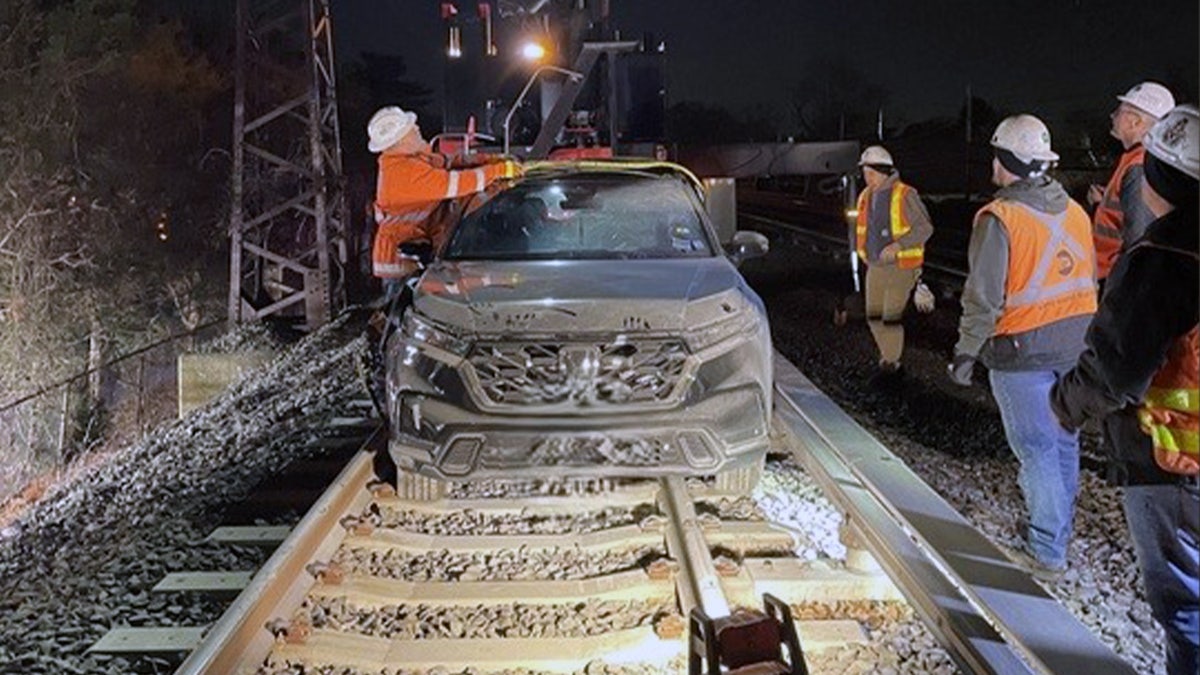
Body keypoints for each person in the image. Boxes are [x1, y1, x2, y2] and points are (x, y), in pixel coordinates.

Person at [1050, 104, 1199, 675]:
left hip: (1174, 466)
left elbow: (1115, 374)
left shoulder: (1163, 259)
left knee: (1184, 607)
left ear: (1158, 179)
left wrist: (1063, 405)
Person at [948, 114, 1097, 579]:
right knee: (1063, 443)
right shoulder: (1074, 210)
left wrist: (966, 351)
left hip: (1022, 352)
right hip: (1076, 349)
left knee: (1036, 450)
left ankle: (1046, 552)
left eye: (997, 156)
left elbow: (984, 297)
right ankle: (1058, 533)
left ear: (1006, 161)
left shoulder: (1000, 218)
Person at [367, 106, 519, 299]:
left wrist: (489, 160)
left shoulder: (411, 160)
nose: (417, 129)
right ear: (399, 141)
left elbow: (450, 161)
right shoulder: (403, 174)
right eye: (411, 128)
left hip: (416, 253)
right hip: (401, 264)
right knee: (405, 314)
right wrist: (498, 171)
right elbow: (456, 183)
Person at [851, 145, 934, 375]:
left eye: (871, 173)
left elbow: (925, 228)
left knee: (890, 318)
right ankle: (888, 356)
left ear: (884, 171)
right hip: (875, 266)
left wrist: (898, 245)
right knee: (873, 317)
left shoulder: (905, 194)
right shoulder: (865, 197)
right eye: (865, 173)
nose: (867, 179)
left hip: (901, 268)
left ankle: (890, 363)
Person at [1090, 82, 1176, 283]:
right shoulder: (1138, 160)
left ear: (1134, 122)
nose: (1113, 116)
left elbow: (1139, 238)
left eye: (1119, 111)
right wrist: (1101, 204)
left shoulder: (1139, 165)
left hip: (1115, 278)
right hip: (1113, 275)